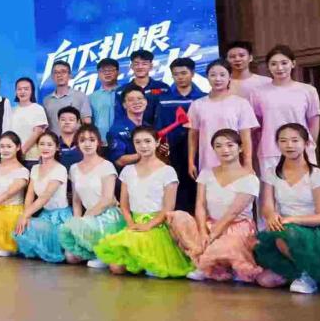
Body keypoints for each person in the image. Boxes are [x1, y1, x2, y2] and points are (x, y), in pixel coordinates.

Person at [254, 123, 320, 293]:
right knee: (265, 280)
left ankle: (309, 274)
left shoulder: (319, 176)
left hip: (316, 230)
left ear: (306, 143)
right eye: (283, 141)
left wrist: (291, 219)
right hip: (287, 228)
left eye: (295, 140)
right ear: (277, 144)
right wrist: (272, 215)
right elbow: (266, 206)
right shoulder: (272, 173)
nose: (289, 145)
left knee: (285, 234)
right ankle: (299, 272)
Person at [93, 126, 194, 278]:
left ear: (157, 142)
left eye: (147, 141)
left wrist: (148, 225)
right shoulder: (128, 171)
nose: (143, 146)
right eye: (138, 142)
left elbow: (168, 208)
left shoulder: (167, 171)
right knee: (116, 267)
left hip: (157, 225)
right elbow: (124, 205)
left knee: (153, 270)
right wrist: (130, 223)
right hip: (134, 223)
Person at [167, 129, 262, 283]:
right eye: (219, 146)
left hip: (236, 227)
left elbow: (232, 214)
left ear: (240, 148)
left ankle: (209, 264)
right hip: (209, 224)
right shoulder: (206, 173)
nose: (225, 150)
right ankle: (211, 263)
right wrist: (203, 231)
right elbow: (200, 205)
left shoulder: (250, 178)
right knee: (178, 217)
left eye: (230, 145)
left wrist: (211, 236)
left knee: (222, 246)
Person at [59, 125, 124, 267]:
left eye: (92, 140)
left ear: (98, 143)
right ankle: (92, 249)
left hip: (107, 216)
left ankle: (103, 253)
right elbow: (76, 201)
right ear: (77, 144)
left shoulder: (106, 166)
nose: (87, 144)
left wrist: (86, 218)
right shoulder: (74, 168)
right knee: (70, 257)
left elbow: (107, 200)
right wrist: (77, 223)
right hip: (87, 217)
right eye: (82, 140)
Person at [251, 45, 320, 171]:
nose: (279, 68)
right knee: (272, 184)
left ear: (293, 64)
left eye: (284, 63)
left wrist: (308, 146)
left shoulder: (308, 90)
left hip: (301, 150)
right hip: (270, 151)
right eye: (273, 64)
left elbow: (314, 122)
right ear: (268, 67)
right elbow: (257, 125)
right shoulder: (258, 93)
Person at [187, 60, 258, 180]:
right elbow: (193, 136)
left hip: (234, 161)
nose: (217, 79)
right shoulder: (197, 105)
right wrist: (190, 162)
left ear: (230, 77)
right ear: (207, 77)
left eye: (222, 75)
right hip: (207, 161)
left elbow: (246, 137)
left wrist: (248, 163)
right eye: (213, 75)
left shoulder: (241, 103)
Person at [155, 57, 206, 213]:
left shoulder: (203, 98)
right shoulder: (164, 100)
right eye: (176, 74)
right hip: (172, 150)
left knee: (200, 186)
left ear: (192, 73)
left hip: (199, 149)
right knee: (176, 186)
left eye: (184, 73)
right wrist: (161, 146)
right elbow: (159, 126)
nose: (180, 77)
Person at [14, 132, 71, 263]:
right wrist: (26, 215)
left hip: (60, 217)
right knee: (24, 226)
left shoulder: (60, 169)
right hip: (45, 214)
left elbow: (45, 197)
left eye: (49, 145)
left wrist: (25, 215)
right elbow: (30, 194)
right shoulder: (35, 168)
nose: (45, 148)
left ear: (57, 148)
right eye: (42, 144)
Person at [115, 49, 168, 125]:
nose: (140, 67)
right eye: (136, 64)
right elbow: (119, 116)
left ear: (151, 66)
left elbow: (167, 114)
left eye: (144, 64)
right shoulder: (121, 91)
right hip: (132, 131)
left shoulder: (163, 88)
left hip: (159, 131)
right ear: (131, 66)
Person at [5, 77, 48, 169]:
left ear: (32, 91)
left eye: (26, 89)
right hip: (13, 157)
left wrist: (22, 151)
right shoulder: (11, 110)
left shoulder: (37, 109)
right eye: (19, 89)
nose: (22, 92)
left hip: (32, 158)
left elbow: (37, 132)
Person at [43, 60, 92, 136]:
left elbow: (87, 123)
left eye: (63, 72)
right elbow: (45, 127)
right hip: (54, 142)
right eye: (56, 72)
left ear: (70, 75)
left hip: (75, 142)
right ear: (52, 77)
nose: (59, 75)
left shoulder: (80, 96)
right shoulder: (46, 100)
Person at [107, 85, 149, 167]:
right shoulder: (116, 130)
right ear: (124, 105)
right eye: (131, 100)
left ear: (146, 102)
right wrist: (148, 152)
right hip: (128, 173)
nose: (136, 102)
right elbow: (119, 161)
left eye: (140, 98)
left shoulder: (149, 128)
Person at [89, 58, 120, 137]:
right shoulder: (91, 97)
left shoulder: (125, 92)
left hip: (123, 139)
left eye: (110, 70)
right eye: (103, 71)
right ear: (98, 74)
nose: (107, 73)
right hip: (100, 139)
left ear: (118, 72)